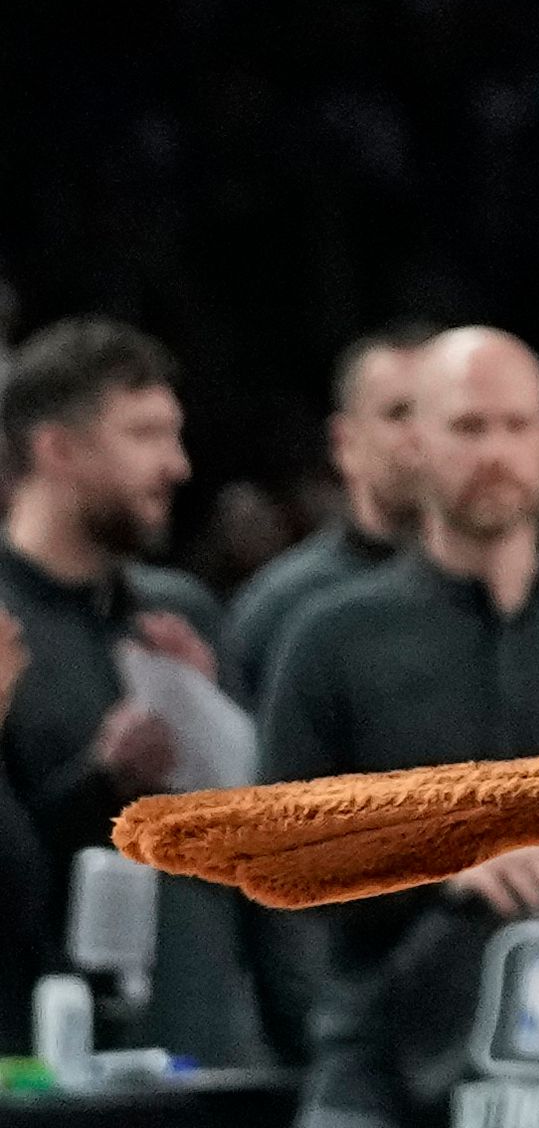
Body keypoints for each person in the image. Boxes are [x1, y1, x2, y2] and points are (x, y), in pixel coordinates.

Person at [257, 328, 539, 1128]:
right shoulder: (330, 637)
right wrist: (445, 863)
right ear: (415, 443)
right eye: (468, 427)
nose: (495, 450)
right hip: (381, 1065)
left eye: (516, 425)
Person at [0, 318, 252, 1060]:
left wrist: (210, 731)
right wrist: (100, 783)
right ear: (58, 449)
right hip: (38, 1058)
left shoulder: (179, 616)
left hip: (195, 1042)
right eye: (143, 435)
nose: (176, 465)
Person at [221, 323, 434, 695]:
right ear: (344, 443)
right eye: (399, 413)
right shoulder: (282, 608)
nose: (423, 434)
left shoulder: (511, 594)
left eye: (441, 412)